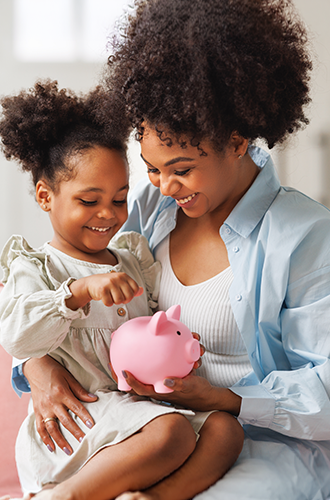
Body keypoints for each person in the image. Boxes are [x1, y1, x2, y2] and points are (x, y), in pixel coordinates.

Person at [7, 0, 330, 498]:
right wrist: (37, 366)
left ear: (237, 141)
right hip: (152, 426)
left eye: (181, 168)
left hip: (264, 440)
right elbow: (54, 283)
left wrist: (223, 398)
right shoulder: (151, 210)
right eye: (152, 168)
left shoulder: (305, 235)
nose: (165, 185)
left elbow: (325, 393)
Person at [0, 79, 243, 500]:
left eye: (119, 199)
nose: (107, 215)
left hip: (133, 410)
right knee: (173, 433)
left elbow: (151, 323)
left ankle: (150, 498)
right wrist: (76, 292)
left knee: (225, 429)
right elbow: (17, 335)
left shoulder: (131, 257)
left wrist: (177, 346)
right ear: (45, 196)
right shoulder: (36, 267)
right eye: (88, 200)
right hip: (81, 418)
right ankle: (67, 496)